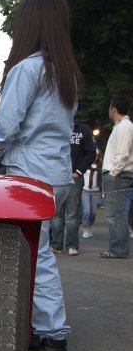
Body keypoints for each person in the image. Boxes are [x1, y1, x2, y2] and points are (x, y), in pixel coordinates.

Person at [0, 0, 82, 351]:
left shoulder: (26, 69)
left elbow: (5, 126)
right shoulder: (65, 72)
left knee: (36, 254)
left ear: (27, 26)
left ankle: (53, 337)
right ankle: (36, 331)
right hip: (57, 173)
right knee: (34, 251)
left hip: (30, 174)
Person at [50, 121, 96, 255]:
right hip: (56, 176)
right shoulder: (55, 127)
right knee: (56, 213)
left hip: (74, 177)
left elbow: (91, 153)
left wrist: (79, 172)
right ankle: (56, 245)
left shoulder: (83, 130)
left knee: (72, 213)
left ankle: (71, 245)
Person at [99, 95, 133, 258]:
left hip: (118, 174)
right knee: (115, 213)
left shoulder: (124, 127)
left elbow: (123, 153)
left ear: (114, 109)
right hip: (118, 174)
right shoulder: (122, 126)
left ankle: (118, 249)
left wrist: (113, 173)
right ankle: (117, 248)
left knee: (115, 213)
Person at [80, 152, 103, 238]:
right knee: (87, 211)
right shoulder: (85, 165)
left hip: (96, 191)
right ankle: (85, 228)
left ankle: (90, 226)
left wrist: (102, 193)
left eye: (96, 155)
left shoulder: (100, 168)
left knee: (93, 212)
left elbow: (101, 182)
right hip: (85, 190)